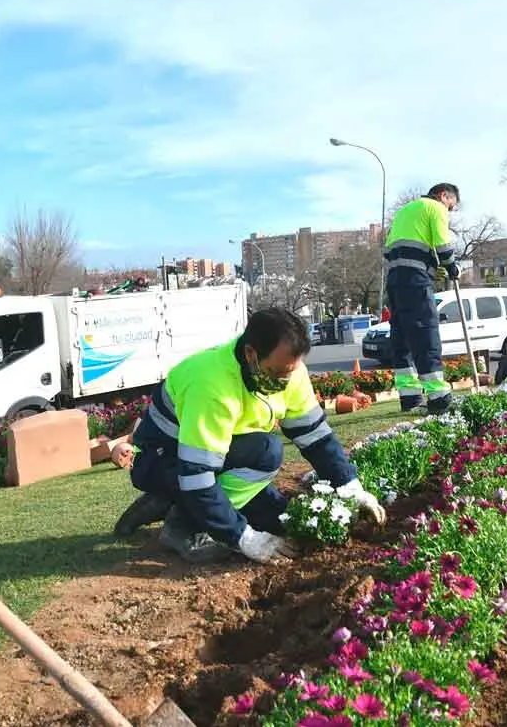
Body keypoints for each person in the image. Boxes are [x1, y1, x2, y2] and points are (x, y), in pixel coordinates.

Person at [112, 307, 387, 563]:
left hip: (214, 459)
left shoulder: (290, 372)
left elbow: (316, 437)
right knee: (267, 451)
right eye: (275, 372)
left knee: (280, 519)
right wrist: (243, 538)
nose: (282, 382)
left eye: (289, 373)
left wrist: (351, 487)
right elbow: (197, 474)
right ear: (250, 353)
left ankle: (169, 501)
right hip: (161, 460)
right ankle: (182, 525)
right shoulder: (212, 385)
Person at [384, 183, 460, 414]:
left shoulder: (405, 211)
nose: (450, 211)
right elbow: (443, 246)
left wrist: (430, 267)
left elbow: (390, 250)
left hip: (394, 279)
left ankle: (410, 397)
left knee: (402, 336)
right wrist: (452, 267)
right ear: (443, 195)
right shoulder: (435, 207)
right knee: (425, 332)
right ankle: (438, 396)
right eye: (451, 205)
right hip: (415, 281)